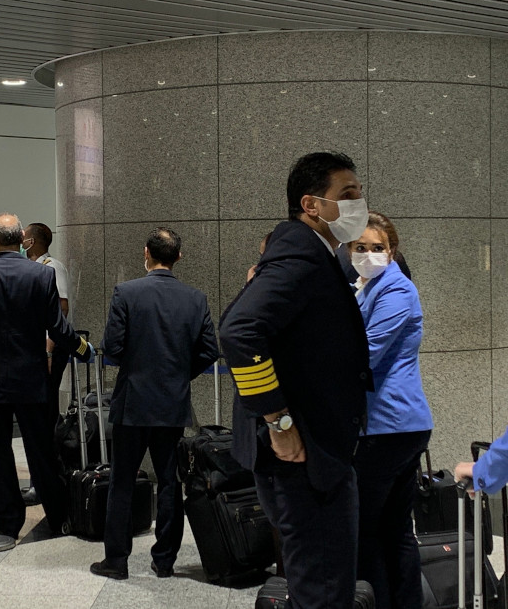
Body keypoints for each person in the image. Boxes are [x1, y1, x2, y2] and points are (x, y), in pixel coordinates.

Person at [219, 152, 373, 609]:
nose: (358, 204)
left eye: (359, 193)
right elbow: (238, 331)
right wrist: (278, 421)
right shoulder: (300, 254)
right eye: (347, 195)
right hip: (306, 455)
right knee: (324, 585)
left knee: (317, 578)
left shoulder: (315, 254)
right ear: (311, 205)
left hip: (311, 449)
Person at [90, 228, 219, 580]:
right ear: (178, 257)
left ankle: (116, 561)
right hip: (171, 403)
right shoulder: (195, 299)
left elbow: (112, 348)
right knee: (169, 480)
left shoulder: (127, 292)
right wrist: (179, 374)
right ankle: (164, 561)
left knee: (122, 480)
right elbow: (210, 350)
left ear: (146, 252)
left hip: (132, 402)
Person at [0, 213, 93, 540]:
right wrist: (83, 348)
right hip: (31, 379)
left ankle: (8, 521)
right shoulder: (41, 275)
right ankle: (59, 515)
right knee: (42, 451)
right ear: (20, 239)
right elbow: (58, 328)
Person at [347, 211, 432, 609]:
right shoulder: (363, 287)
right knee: (393, 529)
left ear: (392, 250)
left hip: (389, 426)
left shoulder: (396, 290)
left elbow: (366, 353)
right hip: (387, 426)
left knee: (368, 530)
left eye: (376, 248)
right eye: (359, 247)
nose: (367, 254)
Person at [20, 221, 71, 506]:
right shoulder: (32, 267)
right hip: (34, 350)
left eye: (25, 236)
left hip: (49, 350)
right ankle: (41, 479)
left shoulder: (52, 267)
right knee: (36, 416)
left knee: (45, 416)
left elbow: (60, 310)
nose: (21, 240)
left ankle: (46, 483)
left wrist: (49, 351)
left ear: (34, 241)